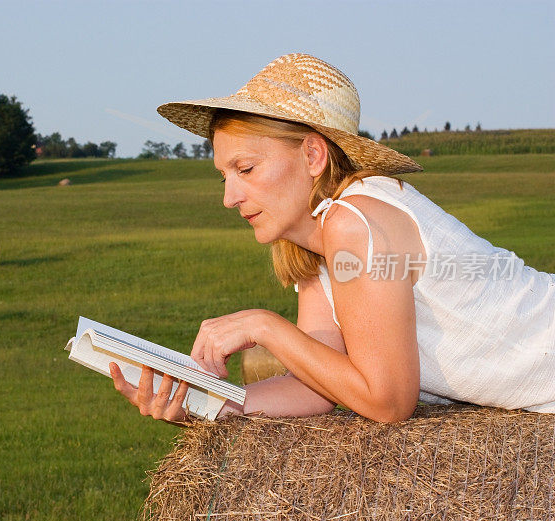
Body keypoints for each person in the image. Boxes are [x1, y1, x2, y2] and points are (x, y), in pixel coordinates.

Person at [109, 53, 555, 423]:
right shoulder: (316, 247)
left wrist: (264, 326)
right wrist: (201, 404)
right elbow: (317, 389)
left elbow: (387, 402)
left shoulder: (355, 222)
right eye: (224, 175)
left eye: (245, 170)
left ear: (313, 155)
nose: (229, 197)